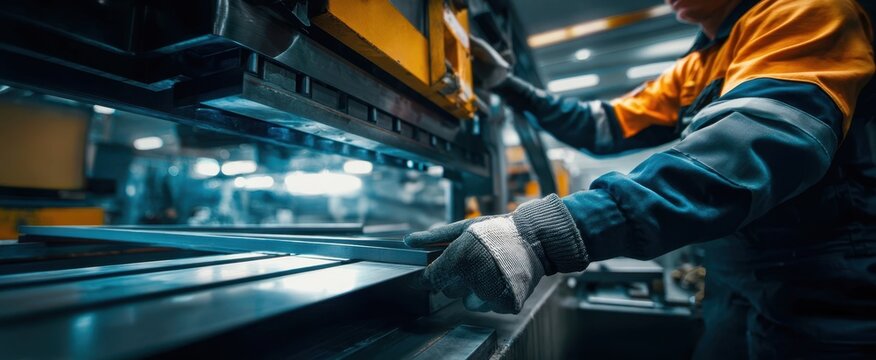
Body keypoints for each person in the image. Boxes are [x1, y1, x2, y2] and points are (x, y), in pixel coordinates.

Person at [404, 0, 876, 358]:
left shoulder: (805, 12)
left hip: (823, 285)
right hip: (733, 276)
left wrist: (543, 234)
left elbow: (753, 147)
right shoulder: (697, 65)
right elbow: (602, 125)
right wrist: (507, 85)